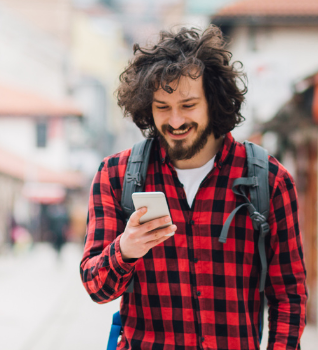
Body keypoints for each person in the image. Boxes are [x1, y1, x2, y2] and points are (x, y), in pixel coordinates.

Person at [79, 26, 306, 350]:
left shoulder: (268, 181)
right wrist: (125, 249)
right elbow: (95, 287)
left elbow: (289, 297)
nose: (174, 120)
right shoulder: (116, 176)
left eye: (188, 105)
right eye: (162, 107)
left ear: (214, 100)